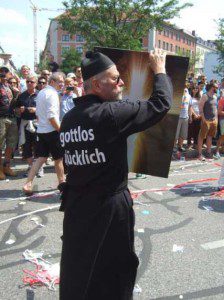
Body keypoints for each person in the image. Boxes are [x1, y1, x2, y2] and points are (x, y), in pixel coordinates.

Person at [59, 49, 172, 300]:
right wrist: (160, 70)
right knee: (117, 267)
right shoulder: (110, 114)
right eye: (115, 78)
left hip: (77, 206)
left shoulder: (69, 118)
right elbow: (160, 104)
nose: (121, 83)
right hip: (109, 206)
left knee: (79, 268)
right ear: (97, 84)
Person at [22, 72, 65, 194]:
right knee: (58, 159)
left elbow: (38, 114)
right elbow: (52, 116)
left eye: (62, 81)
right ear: (52, 82)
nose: (62, 84)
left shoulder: (41, 92)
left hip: (42, 130)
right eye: (59, 81)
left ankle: (28, 184)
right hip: (51, 131)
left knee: (41, 158)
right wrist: (60, 130)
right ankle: (62, 183)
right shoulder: (52, 94)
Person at [16, 75, 43, 176]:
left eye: (32, 82)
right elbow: (16, 110)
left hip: (37, 123)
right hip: (25, 123)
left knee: (38, 146)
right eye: (28, 81)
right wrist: (20, 110)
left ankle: (39, 168)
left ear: (36, 83)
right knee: (26, 146)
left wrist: (36, 110)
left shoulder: (40, 95)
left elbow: (45, 109)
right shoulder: (21, 95)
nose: (29, 83)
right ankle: (31, 167)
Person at [0, 66, 18, 180]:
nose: (3, 75)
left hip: (12, 118)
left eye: (5, 73)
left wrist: (16, 94)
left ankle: (6, 166)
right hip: (1, 118)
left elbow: (14, 103)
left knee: (11, 144)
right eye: (1, 73)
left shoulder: (9, 87)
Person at [197, 82, 218, 160]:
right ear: (212, 87)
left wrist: (216, 120)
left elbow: (215, 109)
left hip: (213, 121)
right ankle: (199, 154)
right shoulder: (205, 96)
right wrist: (203, 119)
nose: (217, 88)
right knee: (201, 137)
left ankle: (208, 153)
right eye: (216, 87)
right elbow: (200, 108)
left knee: (210, 136)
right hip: (206, 120)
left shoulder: (215, 97)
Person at [174, 87, 191, 152]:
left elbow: (189, 106)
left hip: (185, 117)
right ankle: (174, 146)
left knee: (183, 133)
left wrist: (190, 116)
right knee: (176, 134)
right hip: (178, 117)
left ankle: (180, 146)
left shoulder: (189, 96)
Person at [187, 84, 201, 149]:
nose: (195, 89)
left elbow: (201, 107)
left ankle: (195, 144)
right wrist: (193, 115)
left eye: (196, 88)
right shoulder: (190, 97)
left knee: (197, 131)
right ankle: (189, 144)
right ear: (192, 90)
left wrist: (199, 115)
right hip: (192, 115)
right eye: (194, 88)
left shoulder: (199, 98)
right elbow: (190, 107)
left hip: (198, 116)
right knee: (190, 130)